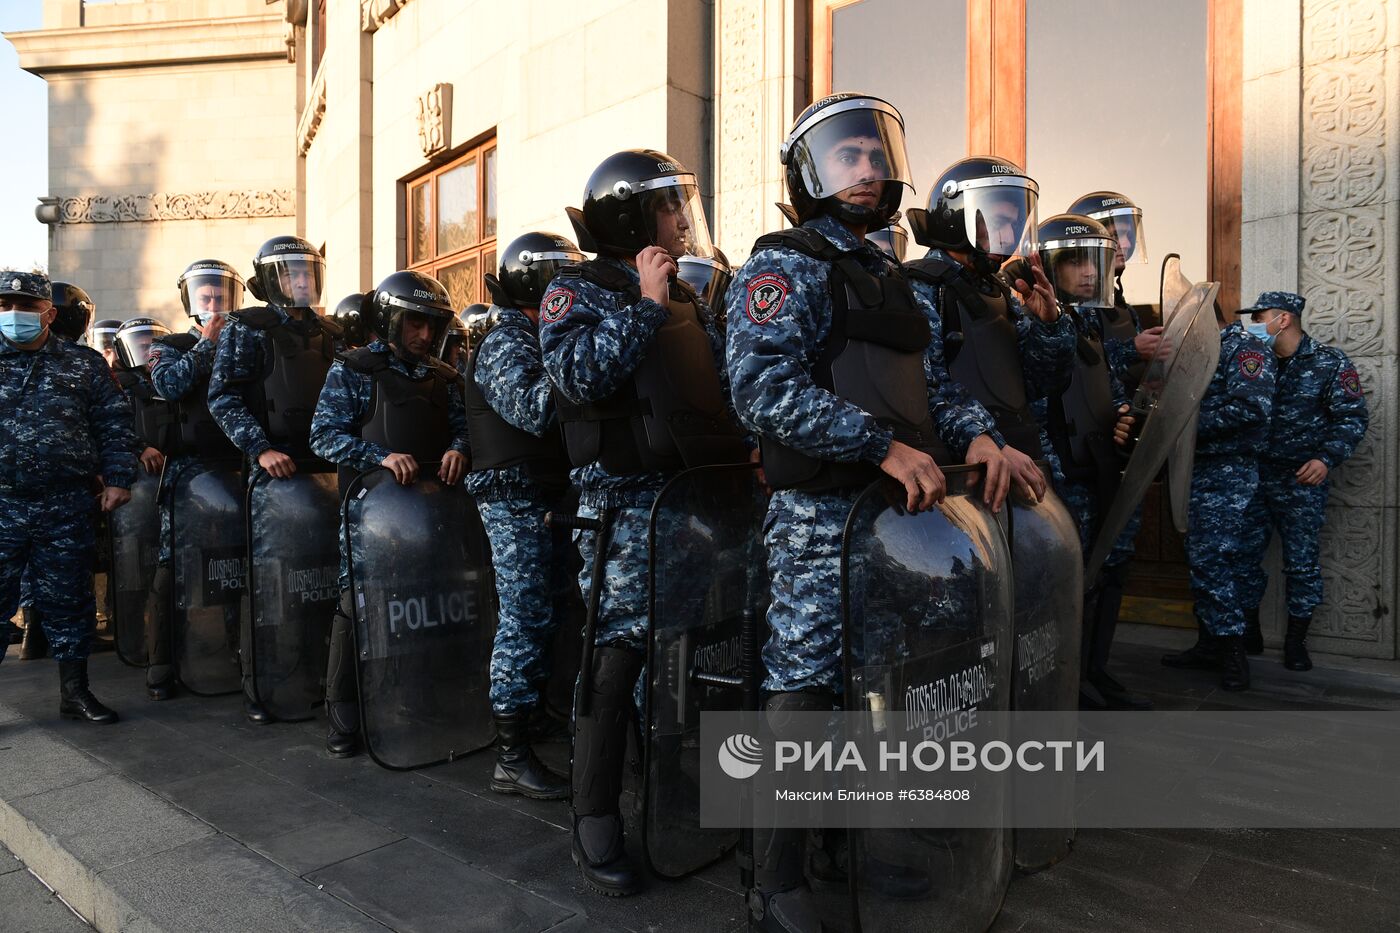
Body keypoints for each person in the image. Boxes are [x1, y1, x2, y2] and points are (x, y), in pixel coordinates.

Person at [726, 94, 1027, 932]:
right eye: (845, 156)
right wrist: (876, 445)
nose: (864, 170)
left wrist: (984, 440)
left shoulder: (891, 273)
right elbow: (761, 389)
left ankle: (844, 843)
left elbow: (933, 388)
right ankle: (775, 878)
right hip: (823, 516)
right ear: (810, 173)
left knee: (882, 682)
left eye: (873, 153)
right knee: (805, 686)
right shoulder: (784, 265)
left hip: (900, 520)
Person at [540, 148, 744, 896]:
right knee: (616, 653)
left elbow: (718, 388)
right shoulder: (576, 292)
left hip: (692, 505)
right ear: (630, 217)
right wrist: (645, 307)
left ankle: (680, 782)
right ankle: (593, 813)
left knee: (696, 647)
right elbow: (577, 375)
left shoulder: (685, 291)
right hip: (621, 508)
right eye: (669, 205)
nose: (683, 219)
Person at [309, 270, 469, 758]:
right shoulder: (354, 370)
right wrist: (377, 455)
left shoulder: (446, 379)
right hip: (371, 519)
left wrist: (460, 449)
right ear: (392, 322)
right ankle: (343, 710)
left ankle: (417, 695)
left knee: (426, 605)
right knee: (358, 604)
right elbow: (322, 436)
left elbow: (466, 430)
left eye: (431, 327)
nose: (423, 336)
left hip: (432, 516)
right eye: (414, 325)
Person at [467, 232, 584, 798]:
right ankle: (510, 756)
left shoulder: (539, 337)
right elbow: (536, 408)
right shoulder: (506, 341)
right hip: (514, 500)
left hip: (546, 498)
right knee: (524, 618)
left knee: (552, 612)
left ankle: (534, 716)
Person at [208, 235, 341, 723]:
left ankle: (322, 679)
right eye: (291, 273)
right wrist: (260, 449)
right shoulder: (246, 327)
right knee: (270, 583)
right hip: (274, 477)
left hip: (327, 474)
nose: (302, 280)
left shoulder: (332, 331)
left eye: (308, 271)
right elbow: (223, 397)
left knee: (322, 580)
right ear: (270, 281)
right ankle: (260, 683)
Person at [0, 270, 138, 723]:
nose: (12, 314)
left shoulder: (83, 364)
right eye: (4, 306)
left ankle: (75, 693)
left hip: (65, 504)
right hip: (2, 503)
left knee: (70, 599)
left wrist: (118, 478)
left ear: (49, 313)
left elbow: (114, 425)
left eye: (24, 306)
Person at [1032, 214, 1146, 709]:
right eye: (1073, 261)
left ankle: (1093, 672)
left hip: (1098, 466)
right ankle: (1066, 682)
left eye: (1091, 261)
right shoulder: (1033, 319)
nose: (1085, 272)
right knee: (1069, 583)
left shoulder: (1090, 323)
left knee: (1107, 572)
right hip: (1062, 474)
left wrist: (1122, 414)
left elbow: (1111, 390)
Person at [1237, 291, 1368, 670]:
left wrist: (1326, 459)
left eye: (1260, 317)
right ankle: (1249, 632)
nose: (1254, 325)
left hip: (1301, 480)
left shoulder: (1329, 362)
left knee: (1301, 563)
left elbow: (1352, 417)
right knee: (1244, 558)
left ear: (1283, 320)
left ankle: (1296, 641)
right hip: (1253, 476)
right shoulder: (1251, 361)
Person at [142, 260, 246, 699]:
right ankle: (162, 662)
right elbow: (169, 385)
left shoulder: (245, 341)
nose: (214, 303)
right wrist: (206, 345)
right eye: (205, 296)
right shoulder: (172, 344)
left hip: (236, 467)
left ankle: (240, 654)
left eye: (221, 296)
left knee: (238, 560)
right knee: (173, 564)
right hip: (186, 475)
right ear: (190, 299)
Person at [1161, 302, 1275, 690]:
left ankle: (1232, 653)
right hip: (1199, 470)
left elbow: (1250, 409)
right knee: (1201, 559)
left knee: (1212, 559)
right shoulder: (1201, 351)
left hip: (1228, 471)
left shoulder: (1244, 348)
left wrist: (1178, 425)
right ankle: (1210, 644)